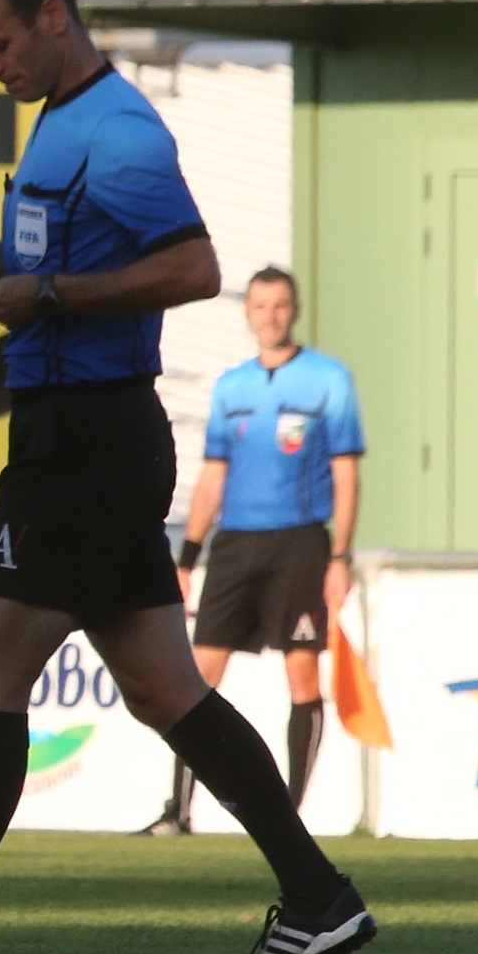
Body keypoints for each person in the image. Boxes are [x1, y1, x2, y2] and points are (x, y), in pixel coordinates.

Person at [0, 0, 376, 954]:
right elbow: (65, 264)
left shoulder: (115, 131)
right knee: (164, 689)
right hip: (86, 437)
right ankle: (319, 897)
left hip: (84, 441)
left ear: (54, 16)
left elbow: (195, 265)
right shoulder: (66, 126)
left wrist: (49, 296)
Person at [145, 267, 363, 832]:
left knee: (302, 678)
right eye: (260, 306)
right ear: (247, 313)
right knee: (195, 678)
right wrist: (188, 557)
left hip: (300, 544)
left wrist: (340, 556)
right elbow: (213, 476)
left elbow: (345, 474)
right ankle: (178, 811)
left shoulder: (328, 379)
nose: (269, 315)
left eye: (280, 305)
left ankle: (290, 818)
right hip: (235, 545)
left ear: (295, 310)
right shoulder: (232, 386)